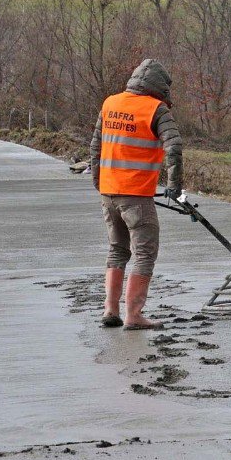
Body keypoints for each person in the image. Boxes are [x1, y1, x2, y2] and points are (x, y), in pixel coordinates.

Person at [90, 59, 182, 330]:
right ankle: (134, 315)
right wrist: (174, 186)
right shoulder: (157, 109)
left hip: (109, 191)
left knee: (117, 250)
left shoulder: (110, 103)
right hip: (137, 196)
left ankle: (110, 310)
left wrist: (100, 182)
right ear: (160, 87)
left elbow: (95, 146)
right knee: (144, 253)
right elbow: (174, 146)